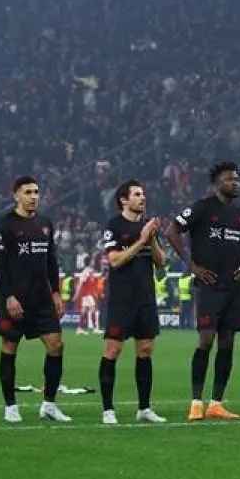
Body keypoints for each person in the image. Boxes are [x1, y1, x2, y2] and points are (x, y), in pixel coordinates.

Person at [167, 161, 240, 421]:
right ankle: (196, 402)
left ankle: (216, 403)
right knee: (206, 341)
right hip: (209, 287)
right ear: (217, 183)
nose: (235, 182)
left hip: (233, 288)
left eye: (237, 178)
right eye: (230, 178)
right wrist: (192, 265)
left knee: (227, 344)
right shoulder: (202, 208)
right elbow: (172, 230)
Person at [0, 175, 69, 423]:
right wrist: (9, 296)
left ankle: (49, 405)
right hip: (16, 299)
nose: (33, 196)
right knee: (10, 348)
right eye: (28, 192)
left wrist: (56, 292)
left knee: (56, 346)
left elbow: (51, 261)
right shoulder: (5, 225)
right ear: (16, 195)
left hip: (42, 300)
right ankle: (10, 406)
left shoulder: (45, 223)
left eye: (36, 192)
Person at [98, 180, 168, 425]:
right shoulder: (114, 227)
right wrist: (140, 240)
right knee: (113, 351)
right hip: (121, 300)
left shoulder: (148, 228)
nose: (142, 198)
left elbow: (160, 262)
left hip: (145, 299)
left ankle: (144, 408)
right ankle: (108, 410)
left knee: (146, 351)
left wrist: (151, 239)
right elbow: (115, 260)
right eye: (137, 194)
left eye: (143, 194)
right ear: (123, 200)